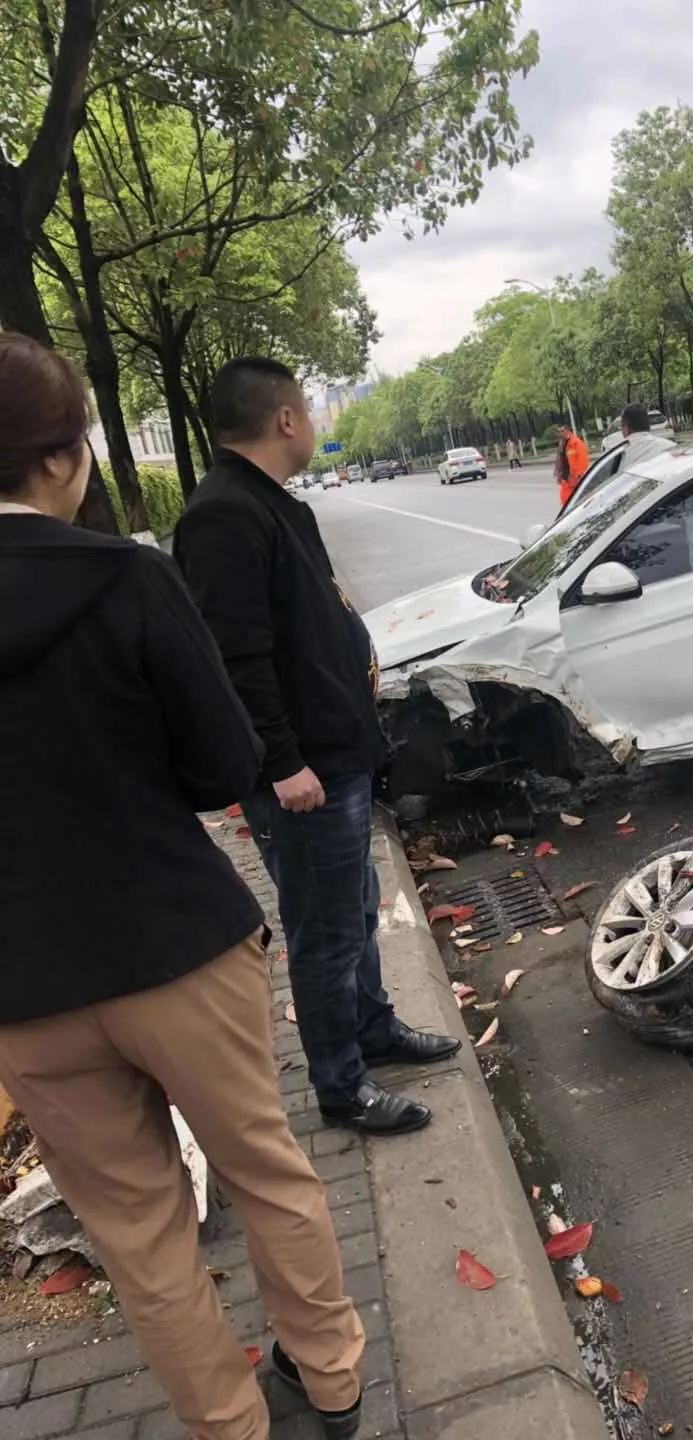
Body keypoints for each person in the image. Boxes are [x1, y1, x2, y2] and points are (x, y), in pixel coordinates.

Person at [0, 334, 364, 1440]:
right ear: (67, 460)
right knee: (267, 1169)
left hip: (26, 987)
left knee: (141, 1236)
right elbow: (219, 765)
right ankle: (333, 1384)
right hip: (180, 942)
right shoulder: (130, 578)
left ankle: (229, 1426)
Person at [174, 357, 460, 1140]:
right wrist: (281, 762)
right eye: (306, 406)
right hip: (304, 774)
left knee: (356, 910)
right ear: (288, 419)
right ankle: (341, 1085)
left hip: (336, 755)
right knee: (325, 931)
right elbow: (237, 658)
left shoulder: (269, 505)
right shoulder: (224, 516)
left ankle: (373, 1029)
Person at [619, 402, 676, 469]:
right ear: (648, 425)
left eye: (621, 426)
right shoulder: (672, 447)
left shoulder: (619, 457)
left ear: (626, 428)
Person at [555, 425, 590, 508]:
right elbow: (561, 460)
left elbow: (583, 461)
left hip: (575, 480)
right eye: (559, 432)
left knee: (576, 503)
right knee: (566, 501)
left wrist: (578, 476)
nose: (560, 433)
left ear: (568, 431)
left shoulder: (576, 443)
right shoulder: (563, 443)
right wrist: (559, 473)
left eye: (562, 431)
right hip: (567, 480)